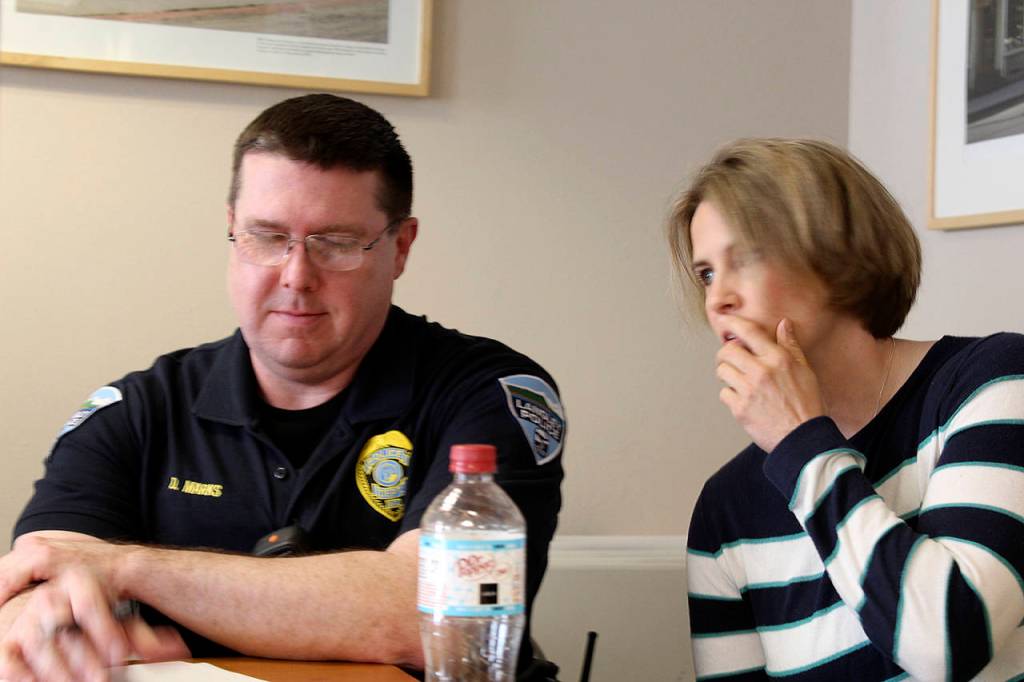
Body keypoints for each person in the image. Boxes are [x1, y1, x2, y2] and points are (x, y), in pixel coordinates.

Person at [0, 94, 565, 681]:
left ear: (400, 247)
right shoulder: (138, 409)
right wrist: (39, 624)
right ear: (231, 231)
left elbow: (433, 617)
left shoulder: (488, 393)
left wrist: (129, 569)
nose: (296, 276)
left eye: (337, 243)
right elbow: (38, 576)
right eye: (267, 237)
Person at [667, 138, 1024, 680]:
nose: (717, 300)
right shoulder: (727, 508)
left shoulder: (994, 379)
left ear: (839, 254)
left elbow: (949, 642)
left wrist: (800, 444)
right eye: (707, 273)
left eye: (745, 258)